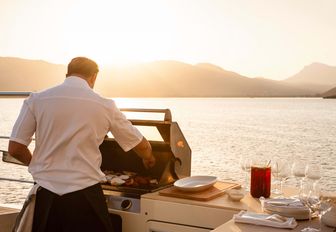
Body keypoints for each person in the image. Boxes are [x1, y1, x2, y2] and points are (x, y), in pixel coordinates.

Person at [8, 57, 156, 232]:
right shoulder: (105, 105)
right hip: (85, 197)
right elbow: (141, 145)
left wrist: (39, 165)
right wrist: (149, 157)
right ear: (93, 77)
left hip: (45, 197)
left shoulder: (37, 99)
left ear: (67, 74)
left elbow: (15, 149)